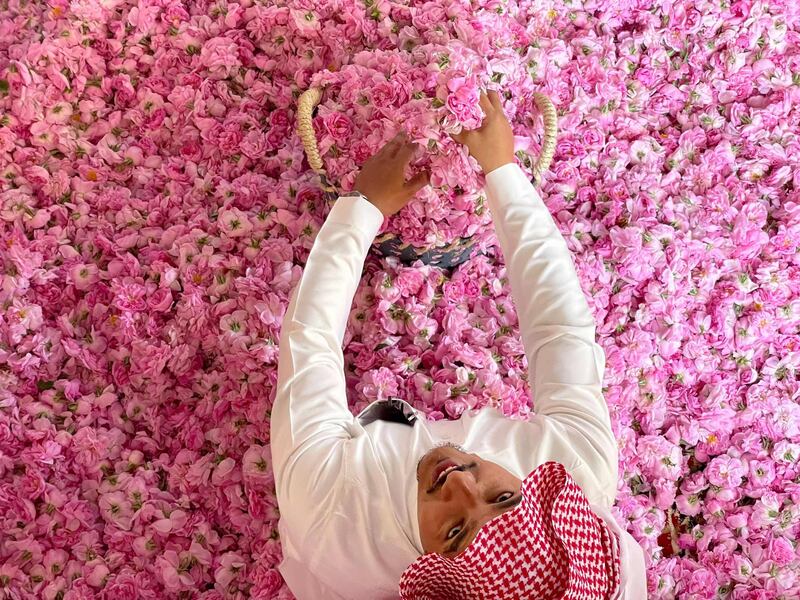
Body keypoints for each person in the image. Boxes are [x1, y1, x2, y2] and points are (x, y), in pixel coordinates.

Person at [271, 90, 647, 599]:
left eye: (454, 532)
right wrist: (503, 171)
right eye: (504, 498)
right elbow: (560, 330)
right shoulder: (578, 477)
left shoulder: (331, 516)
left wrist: (361, 209)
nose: (460, 482)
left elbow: (309, 343)